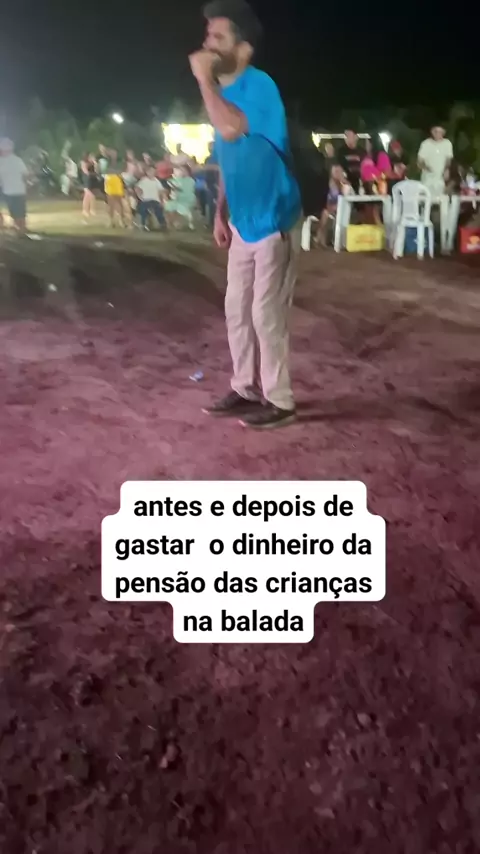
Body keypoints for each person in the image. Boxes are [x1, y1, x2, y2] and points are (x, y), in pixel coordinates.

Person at [189, 0, 302, 430]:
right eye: (208, 35)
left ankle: (281, 400)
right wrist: (221, 212)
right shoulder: (222, 95)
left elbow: (231, 127)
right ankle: (245, 388)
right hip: (242, 222)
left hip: (275, 219)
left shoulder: (260, 86)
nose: (208, 44)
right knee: (236, 308)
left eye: (218, 37)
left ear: (244, 48)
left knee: (265, 313)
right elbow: (228, 159)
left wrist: (204, 80)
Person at [0, 138, 29, 233]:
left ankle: (18, 229)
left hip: (8, 191)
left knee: (16, 213)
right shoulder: (18, 160)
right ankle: (21, 229)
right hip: (19, 190)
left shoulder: (2, 161)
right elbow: (25, 175)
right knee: (20, 213)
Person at [417, 125, 453, 199]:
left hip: (440, 178)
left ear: (443, 133)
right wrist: (426, 168)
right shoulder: (425, 144)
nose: (438, 134)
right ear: (432, 132)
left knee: (441, 199)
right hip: (427, 178)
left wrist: (447, 169)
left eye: (440, 132)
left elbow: (448, 159)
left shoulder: (447, 143)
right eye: (436, 131)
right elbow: (419, 161)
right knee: (427, 200)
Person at [164, 165, 197, 229]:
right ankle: (172, 222)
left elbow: (181, 189)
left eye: (183, 170)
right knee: (169, 206)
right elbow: (170, 182)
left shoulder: (191, 180)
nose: (182, 172)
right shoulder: (176, 179)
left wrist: (175, 186)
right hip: (176, 199)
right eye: (180, 170)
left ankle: (177, 222)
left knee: (176, 207)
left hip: (187, 199)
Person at [136, 165, 167, 230]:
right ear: (147, 172)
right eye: (150, 171)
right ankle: (143, 224)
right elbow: (137, 188)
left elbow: (161, 191)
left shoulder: (156, 181)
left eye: (153, 171)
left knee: (159, 210)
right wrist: (139, 196)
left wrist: (163, 200)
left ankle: (162, 224)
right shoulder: (144, 180)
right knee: (143, 209)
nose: (152, 173)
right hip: (146, 200)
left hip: (155, 200)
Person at [104, 151, 128, 227]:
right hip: (109, 182)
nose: (113, 154)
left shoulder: (120, 162)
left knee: (119, 203)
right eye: (112, 153)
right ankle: (111, 221)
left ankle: (121, 221)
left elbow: (122, 171)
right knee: (111, 204)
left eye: (114, 153)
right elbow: (107, 171)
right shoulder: (107, 162)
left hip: (117, 182)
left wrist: (115, 172)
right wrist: (115, 172)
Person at [80, 154, 98, 221]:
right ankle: (88, 210)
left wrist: (95, 164)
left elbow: (97, 171)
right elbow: (86, 172)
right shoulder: (83, 163)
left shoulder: (93, 163)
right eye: (90, 157)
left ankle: (88, 210)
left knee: (87, 196)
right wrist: (94, 173)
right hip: (86, 180)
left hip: (91, 180)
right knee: (91, 196)